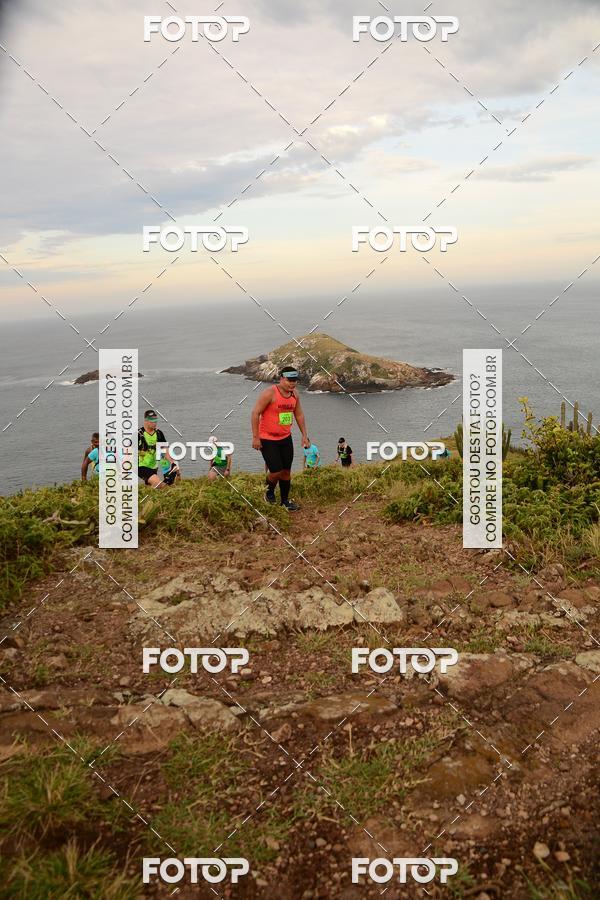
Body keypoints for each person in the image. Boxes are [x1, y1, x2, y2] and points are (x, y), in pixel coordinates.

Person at [251, 367, 310, 511]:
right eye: (290, 380)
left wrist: (304, 436)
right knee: (275, 471)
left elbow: (299, 415)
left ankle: (285, 501)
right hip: (267, 438)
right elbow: (255, 413)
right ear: (281, 378)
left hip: (285, 438)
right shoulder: (270, 393)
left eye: (295, 380)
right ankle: (269, 492)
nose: (292, 383)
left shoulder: (295, 395)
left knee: (286, 472)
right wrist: (255, 437)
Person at [138, 409, 178, 488]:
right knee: (161, 486)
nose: (154, 423)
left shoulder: (159, 433)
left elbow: (165, 451)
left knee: (154, 488)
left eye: (156, 420)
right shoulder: (138, 434)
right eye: (152, 421)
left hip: (153, 467)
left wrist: (172, 463)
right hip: (140, 466)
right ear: (146, 421)